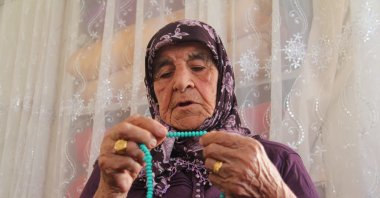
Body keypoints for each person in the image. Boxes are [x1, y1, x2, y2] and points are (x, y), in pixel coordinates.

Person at [80, 19, 319, 198]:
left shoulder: (276, 161)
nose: (182, 83)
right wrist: (108, 190)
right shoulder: (122, 163)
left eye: (197, 67)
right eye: (164, 73)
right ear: (152, 92)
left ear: (224, 81)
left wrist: (272, 190)